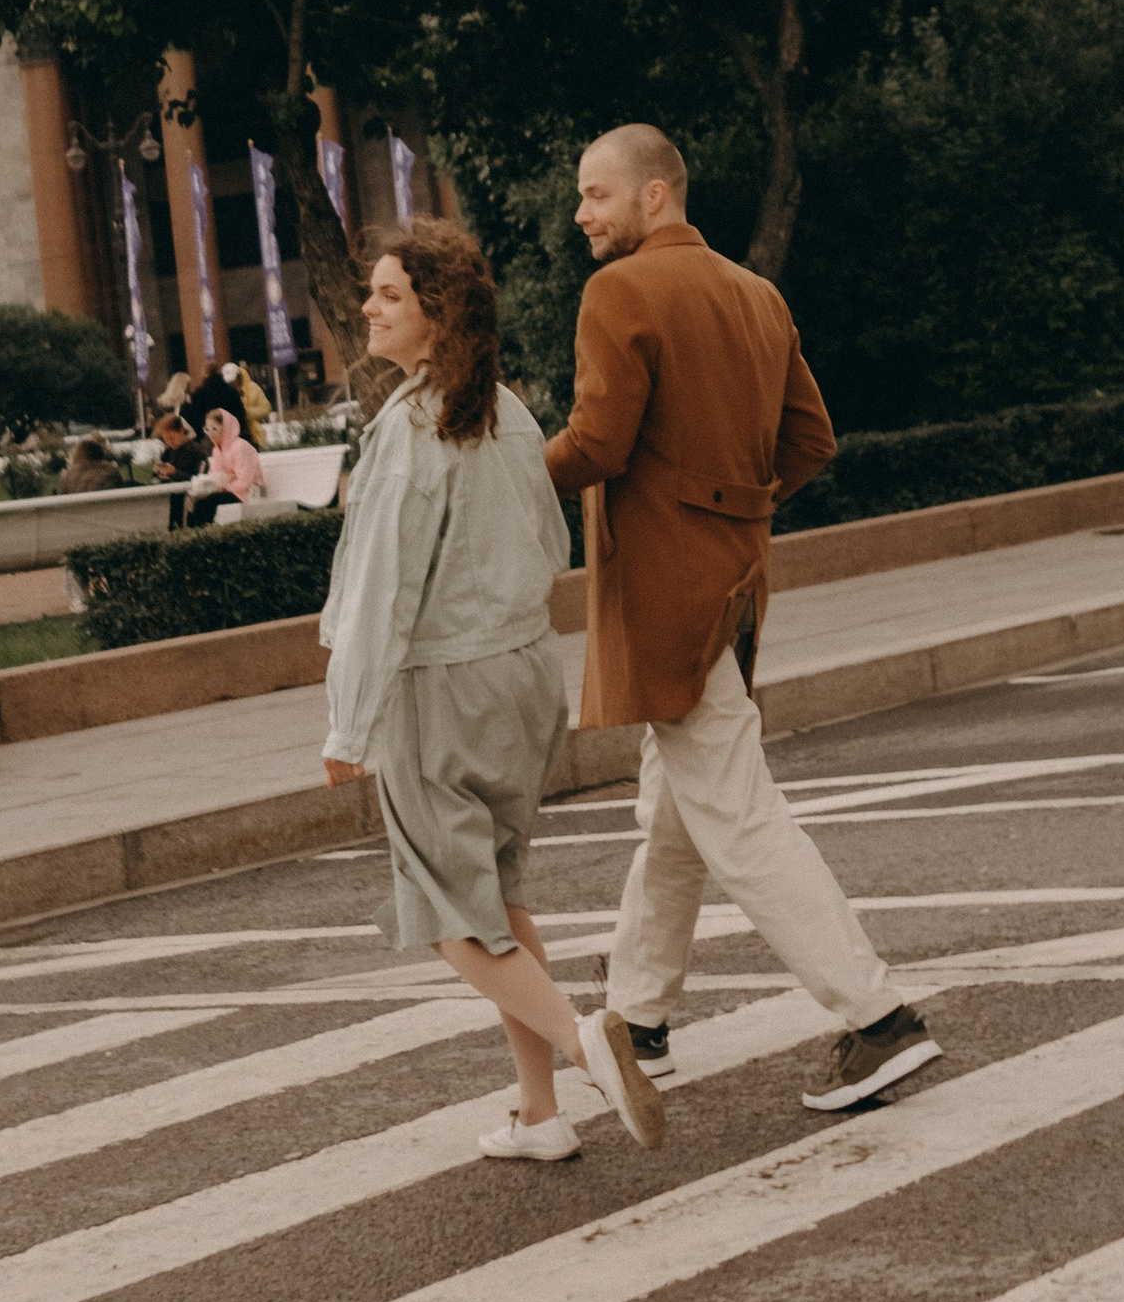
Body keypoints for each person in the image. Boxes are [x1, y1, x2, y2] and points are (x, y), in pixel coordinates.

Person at [543, 122, 940, 1113]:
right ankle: (637, 1025)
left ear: (655, 195)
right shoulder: (754, 294)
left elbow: (595, 443)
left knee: (734, 812)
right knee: (678, 808)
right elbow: (811, 438)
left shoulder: (619, 292)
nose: (582, 214)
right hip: (734, 582)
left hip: (662, 593)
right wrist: (730, 509)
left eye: (596, 194)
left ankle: (878, 1018)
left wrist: (496, 467)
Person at [321, 218, 663, 1159]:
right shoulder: (509, 411)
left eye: (389, 295)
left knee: (446, 913)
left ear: (437, 316)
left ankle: (583, 1039)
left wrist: (348, 721)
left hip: (443, 690)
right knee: (501, 899)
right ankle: (540, 1115)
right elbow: (552, 545)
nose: (368, 309)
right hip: (523, 679)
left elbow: (381, 588)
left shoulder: (410, 429)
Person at [192, 405, 267, 517]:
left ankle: (205, 533)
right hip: (227, 492)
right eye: (207, 429)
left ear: (226, 428)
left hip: (247, 494)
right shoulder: (217, 450)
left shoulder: (240, 446)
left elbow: (245, 480)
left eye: (214, 429)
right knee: (197, 502)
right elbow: (215, 475)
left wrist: (225, 486)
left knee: (207, 505)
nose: (211, 434)